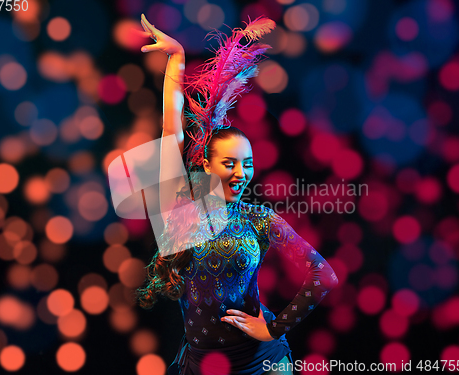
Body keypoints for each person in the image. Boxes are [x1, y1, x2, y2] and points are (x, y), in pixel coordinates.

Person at [133, 14, 339, 375]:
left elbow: (323, 274)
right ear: (207, 166)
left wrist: (273, 328)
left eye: (248, 164)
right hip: (202, 365)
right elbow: (171, 128)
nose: (241, 174)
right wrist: (177, 58)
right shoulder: (183, 209)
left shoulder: (258, 218)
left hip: (263, 363)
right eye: (230, 163)